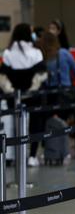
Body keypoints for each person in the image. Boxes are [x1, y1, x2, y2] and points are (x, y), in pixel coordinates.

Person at [0, 24, 48, 166]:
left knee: (15, 125)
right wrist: (32, 89)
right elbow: (41, 74)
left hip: (13, 96)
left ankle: (15, 155)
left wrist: (10, 90)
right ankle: (32, 156)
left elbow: (3, 76)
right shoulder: (36, 52)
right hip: (33, 96)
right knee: (35, 124)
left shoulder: (8, 53)